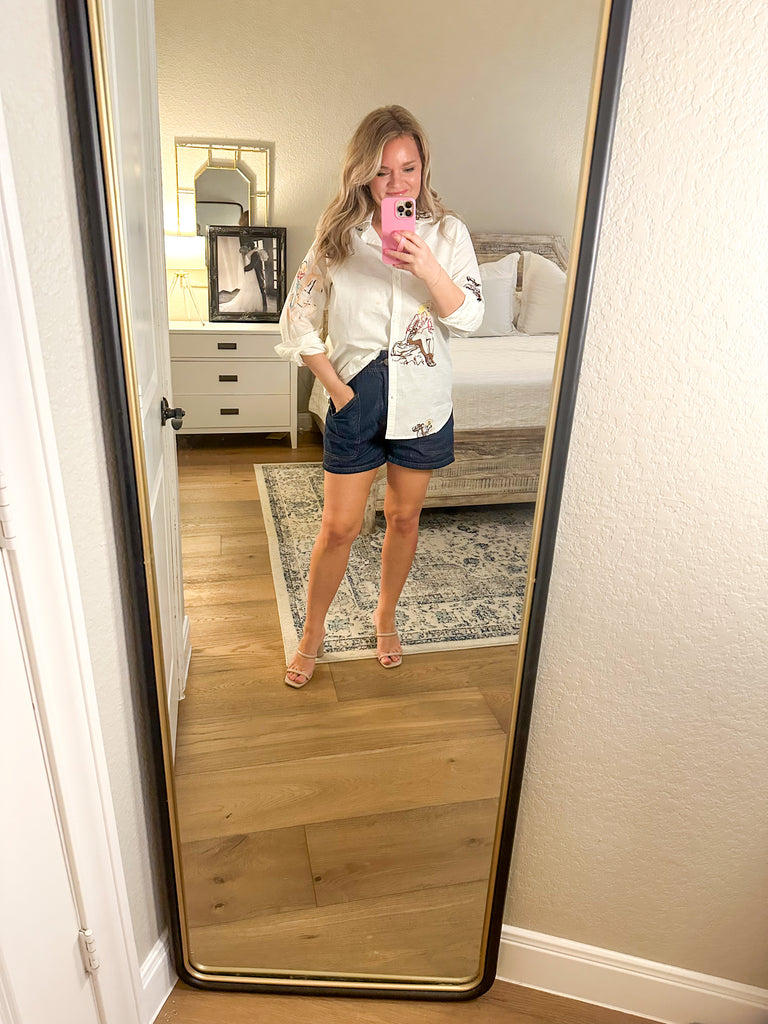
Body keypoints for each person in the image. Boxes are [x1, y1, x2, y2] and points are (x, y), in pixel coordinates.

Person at [275, 105, 484, 687]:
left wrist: (428, 267)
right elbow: (296, 319)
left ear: (423, 167)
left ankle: (385, 616)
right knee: (339, 527)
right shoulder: (338, 235)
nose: (397, 184)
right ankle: (313, 630)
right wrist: (338, 390)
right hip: (357, 396)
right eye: (382, 171)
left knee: (404, 517)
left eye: (408, 169)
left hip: (423, 398)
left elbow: (470, 318)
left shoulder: (449, 234)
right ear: (363, 172)